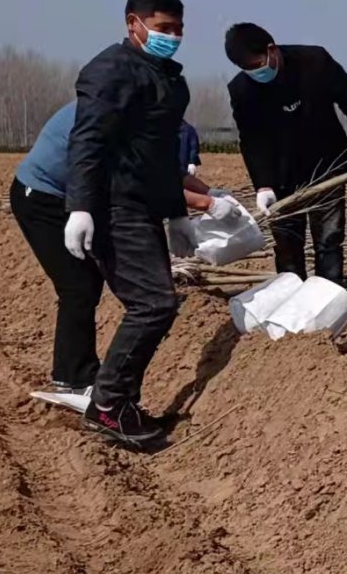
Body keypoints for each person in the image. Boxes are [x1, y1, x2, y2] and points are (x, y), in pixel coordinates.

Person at [12, 101, 231, 398]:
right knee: (78, 285)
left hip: (77, 199)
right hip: (43, 198)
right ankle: (76, 379)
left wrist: (210, 192)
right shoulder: (112, 118)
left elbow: (166, 170)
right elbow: (145, 180)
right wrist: (207, 205)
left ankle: (79, 375)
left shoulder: (138, 111)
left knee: (89, 284)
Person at [59, 0, 194, 449]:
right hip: (113, 206)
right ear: (133, 24)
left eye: (178, 28)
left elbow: (159, 158)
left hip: (143, 206)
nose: (172, 35)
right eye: (163, 27)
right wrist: (80, 207)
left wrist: (176, 214)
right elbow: (87, 142)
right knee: (153, 304)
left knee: (156, 303)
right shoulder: (111, 71)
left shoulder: (166, 76)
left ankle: (120, 401)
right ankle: (108, 404)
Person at [223, 23, 347, 284]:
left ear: (272, 50)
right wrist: (263, 185)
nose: (255, 72)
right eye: (247, 69)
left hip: (327, 166)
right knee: (286, 243)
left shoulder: (314, 62)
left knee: (329, 238)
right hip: (282, 176)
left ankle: (329, 292)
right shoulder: (242, 90)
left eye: (258, 64)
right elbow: (251, 140)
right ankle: (291, 295)